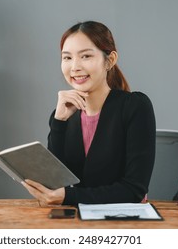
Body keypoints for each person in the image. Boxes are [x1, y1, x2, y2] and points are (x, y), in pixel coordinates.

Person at [22, 21, 156, 206]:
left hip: (124, 220)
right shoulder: (62, 115)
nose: (75, 67)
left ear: (110, 60)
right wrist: (59, 122)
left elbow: (134, 190)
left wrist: (68, 197)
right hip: (75, 218)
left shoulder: (135, 106)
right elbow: (56, 182)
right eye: (67, 58)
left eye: (85, 56)